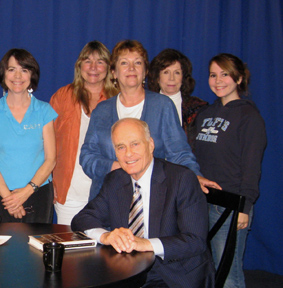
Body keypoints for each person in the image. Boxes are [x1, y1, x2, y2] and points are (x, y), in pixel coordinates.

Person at [72, 118, 215, 288]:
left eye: (135, 144)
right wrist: (107, 236)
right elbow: (82, 219)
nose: (128, 154)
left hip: (174, 273)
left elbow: (195, 241)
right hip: (129, 270)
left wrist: (145, 244)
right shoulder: (115, 180)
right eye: (121, 147)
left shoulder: (181, 179)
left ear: (151, 144)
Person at [80, 40, 219, 201]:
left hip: (152, 203)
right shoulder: (101, 111)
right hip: (106, 202)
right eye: (124, 63)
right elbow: (87, 157)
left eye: (137, 62)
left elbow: (179, 153)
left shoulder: (162, 106)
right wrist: (116, 166)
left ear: (145, 71)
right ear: (114, 72)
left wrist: (195, 176)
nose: (131, 68)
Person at [194, 53, 266, 288]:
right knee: (209, 269)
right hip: (202, 201)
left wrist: (244, 207)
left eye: (225, 74)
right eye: (213, 75)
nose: (218, 80)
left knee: (229, 273)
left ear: (239, 78)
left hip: (230, 205)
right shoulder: (204, 115)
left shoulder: (249, 116)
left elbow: (252, 165)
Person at [0, 49, 57, 223]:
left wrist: (26, 192)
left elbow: (51, 159)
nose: (17, 76)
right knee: (2, 250)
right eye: (11, 69)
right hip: (1, 195)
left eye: (24, 70)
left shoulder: (44, 111)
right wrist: (10, 200)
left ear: (32, 75)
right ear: (3, 73)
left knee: (36, 249)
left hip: (38, 193)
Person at [50, 41, 117, 225]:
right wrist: (48, 180)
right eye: (88, 61)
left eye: (100, 62)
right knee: (70, 248)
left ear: (109, 67)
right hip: (69, 192)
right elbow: (44, 142)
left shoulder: (118, 99)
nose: (93, 67)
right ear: (79, 66)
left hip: (108, 193)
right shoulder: (63, 96)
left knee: (104, 252)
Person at [148, 48, 208, 145]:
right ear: (157, 78)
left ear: (183, 78)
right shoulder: (145, 105)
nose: (171, 78)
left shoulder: (198, 109)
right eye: (166, 72)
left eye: (177, 72)